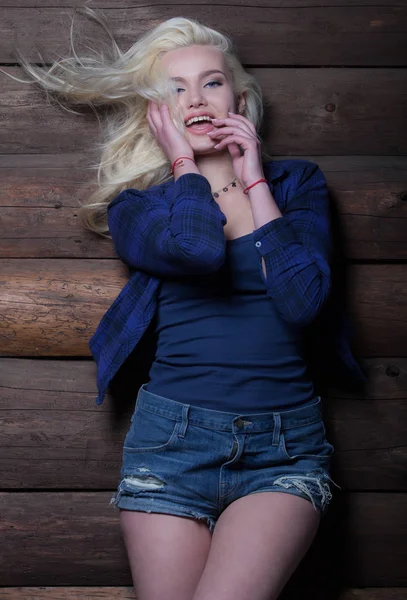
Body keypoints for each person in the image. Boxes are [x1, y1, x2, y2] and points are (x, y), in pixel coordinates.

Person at [5, 9, 366, 600]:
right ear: (157, 114)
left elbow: (303, 302)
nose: (196, 98)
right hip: (171, 443)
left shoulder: (298, 184)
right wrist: (183, 163)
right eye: (175, 90)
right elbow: (199, 251)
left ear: (240, 99)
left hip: (284, 447)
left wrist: (254, 178)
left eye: (212, 82)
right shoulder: (139, 209)